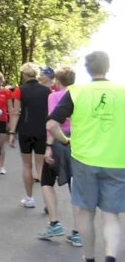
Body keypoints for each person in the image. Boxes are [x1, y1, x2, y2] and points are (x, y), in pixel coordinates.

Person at [47, 51, 124, 262]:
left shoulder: (76, 92)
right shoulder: (122, 92)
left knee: (85, 212)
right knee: (111, 216)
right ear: (108, 67)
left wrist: (65, 141)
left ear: (88, 69)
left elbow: (51, 124)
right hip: (116, 159)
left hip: (84, 158)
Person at [38, 66, 78, 244]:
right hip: (76, 141)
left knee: (46, 181)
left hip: (58, 140)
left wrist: (48, 146)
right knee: (75, 186)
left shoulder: (53, 96)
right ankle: (78, 232)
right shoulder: (79, 95)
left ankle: (54, 223)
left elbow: (51, 122)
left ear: (58, 81)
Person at [9, 62, 50, 209]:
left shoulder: (20, 90)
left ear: (24, 74)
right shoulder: (47, 91)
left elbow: (15, 113)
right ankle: (47, 201)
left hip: (25, 129)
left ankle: (30, 198)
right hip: (41, 130)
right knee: (41, 166)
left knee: (27, 165)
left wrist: (12, 132)